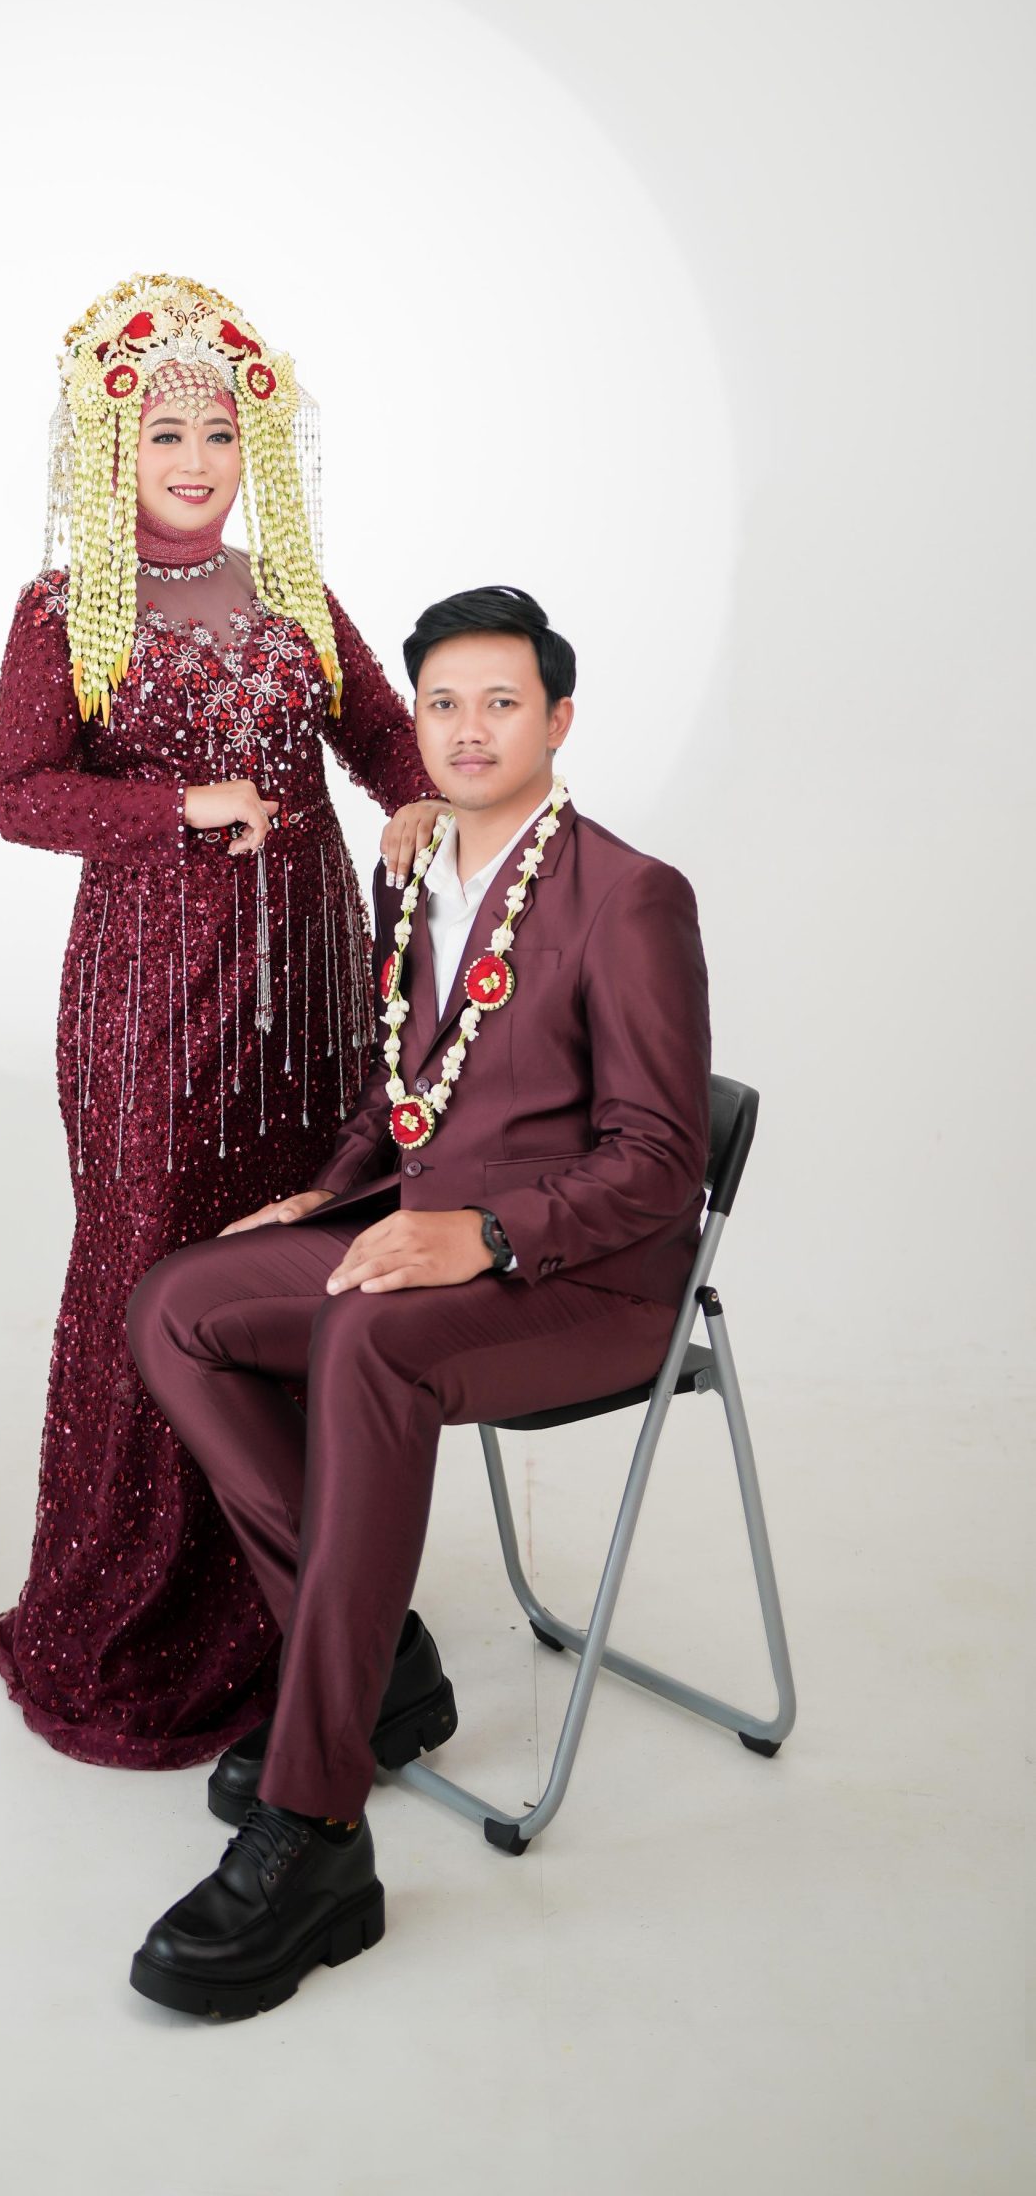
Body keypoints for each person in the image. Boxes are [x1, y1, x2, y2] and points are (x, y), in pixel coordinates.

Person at [125, 584, 711, 2015]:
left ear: (558, 721)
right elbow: (406, 1094)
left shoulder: (632, 895)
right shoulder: (416, 869)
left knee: (368, 1340)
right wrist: (328, 1196)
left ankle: (317, 1827)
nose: (467, 729)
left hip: (588, 1283)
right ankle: (377, 1665)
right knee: (178, 1307)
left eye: (501, 702)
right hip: (421, 1235)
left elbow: (661, 1163)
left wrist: (487, 1237)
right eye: (442, 703)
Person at [0, 275, 444, 1768]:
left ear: (256, 448)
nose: (196, 460)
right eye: (165, 433)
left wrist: (415, 805)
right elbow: (18, 794)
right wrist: (177, 808)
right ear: (114, 449)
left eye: (221, 432)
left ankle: (296, 1612)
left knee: (291, 1275)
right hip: (151, 1003)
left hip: (307, 1006)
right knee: (151, 1273)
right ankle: (126, 1629)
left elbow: (383, 735)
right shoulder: (66, 608)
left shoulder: (291, 591)